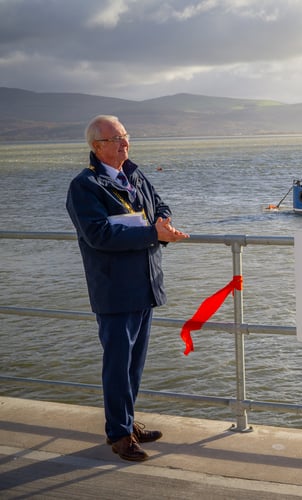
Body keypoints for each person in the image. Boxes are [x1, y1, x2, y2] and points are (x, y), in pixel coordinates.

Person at [66, 115, 189, 462]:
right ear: (97, 147)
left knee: (134, 363)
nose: (125, 144)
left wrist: (162, 222)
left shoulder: (133, 174)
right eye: (116, 139)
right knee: (118, 363)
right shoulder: (84, 186)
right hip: (115, 289)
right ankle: (118, 434)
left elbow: (159, 204)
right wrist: (153, 233)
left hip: (145, 283)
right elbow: (99, 234)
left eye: (125, 136)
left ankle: (127, 421)